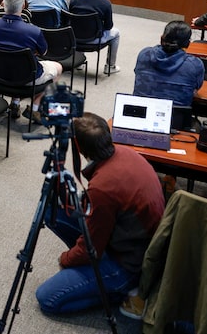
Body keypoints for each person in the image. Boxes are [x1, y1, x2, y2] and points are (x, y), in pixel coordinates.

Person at [34, 112, 165, 315]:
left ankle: (119, 292)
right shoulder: (126, 153)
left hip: (127, 264)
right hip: (131, 240)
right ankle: (93, 277)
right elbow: (94, 211)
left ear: (79, 148)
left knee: (47, 299)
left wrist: (66, 259)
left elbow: (91, 248)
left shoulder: (104, 188)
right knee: (51, 211)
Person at [0, 0, 63, 122]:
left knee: (15, 60)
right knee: (58, 67)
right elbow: (44, 52)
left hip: (0, 74)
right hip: (27, 77)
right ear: (23, 5)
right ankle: (35, 109)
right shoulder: (33, 31)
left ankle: (15, 104)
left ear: (3, 4)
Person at [133, 21, 204, 106]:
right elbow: (196, 88)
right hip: (176, 117)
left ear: (161, 38)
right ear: (188, 44)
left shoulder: (144, 54)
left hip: (141, 114)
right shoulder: (195, 65)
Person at [68, 0, 121, 74]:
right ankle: (110, 66)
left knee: (80, 25)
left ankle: (78, 63)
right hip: (95, 39)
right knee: (116, 33)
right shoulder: (105, 3)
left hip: (75, 38)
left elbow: (71, 20)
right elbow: (108, 26)